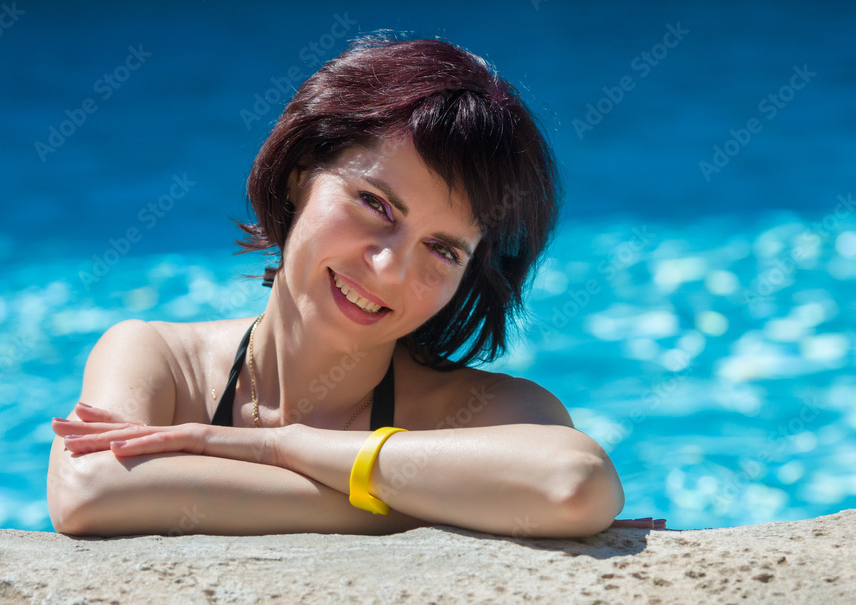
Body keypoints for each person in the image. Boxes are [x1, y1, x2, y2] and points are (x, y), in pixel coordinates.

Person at [47, 31, 660, 537]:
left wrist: (282, 447)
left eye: (443, 249)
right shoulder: (162, 360)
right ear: (298, 175)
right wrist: (436, 499)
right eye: (376, 204)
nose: (390, 268)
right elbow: (88, 489)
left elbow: (573, 485)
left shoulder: (481, 411)